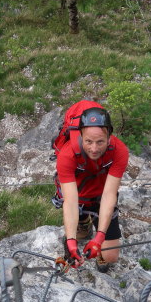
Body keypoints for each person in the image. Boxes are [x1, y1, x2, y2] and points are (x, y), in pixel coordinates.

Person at [55, 105, 129, 272]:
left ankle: (90, 228)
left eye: (100, 142)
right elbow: (70, 201)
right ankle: (83, 222)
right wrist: (71, 241)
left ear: (109, 138)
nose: (94, 148)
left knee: (111, 256)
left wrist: (100, 238)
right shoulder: (67, 155)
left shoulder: (119, 151)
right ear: (81, 136)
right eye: (88, 141)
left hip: (100, 195)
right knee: (77, 232)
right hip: (79, 196)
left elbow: (109, 195)